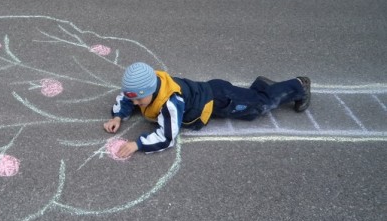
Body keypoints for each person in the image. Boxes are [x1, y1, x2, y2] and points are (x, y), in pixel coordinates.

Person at [103, 62, 311, 157]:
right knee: (253, 102)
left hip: (221, 100)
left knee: (258, 108)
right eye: (135, 100)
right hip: (209, 91)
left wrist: (137, 144)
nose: (137, 104)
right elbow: (127, 96)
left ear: (150, 90)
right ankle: (262, 86)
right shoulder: (147, 89)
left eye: (140, 100)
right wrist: (119, 116)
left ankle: (298, 85)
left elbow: (167, 137)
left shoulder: (169, 102)